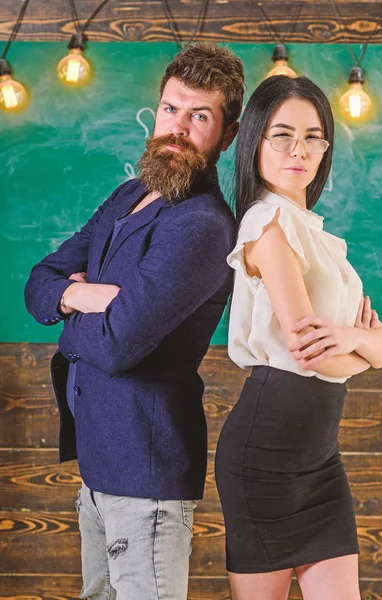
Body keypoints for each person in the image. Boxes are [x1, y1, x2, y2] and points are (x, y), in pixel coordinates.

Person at [24, 42, 245, 600]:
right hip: (101, 461)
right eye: (171, 109)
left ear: (228, 133)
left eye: (200, 116)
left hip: (145, 471)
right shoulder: (130, 193)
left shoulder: (202, 225)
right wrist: (83, 296)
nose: (178, 128)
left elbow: (119, 344)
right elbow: (41, 279)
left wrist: (73, 304)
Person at [214, 75, 382, 600]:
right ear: (255, 141)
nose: (301, 150)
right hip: (263, 455)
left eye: (314, 136)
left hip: (320, 460)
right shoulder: (266, 225)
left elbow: (379, 345)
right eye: (283, 135)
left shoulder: (309, 228)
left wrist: (348, 338)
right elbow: (314, 355)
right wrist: (362, 346)